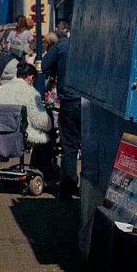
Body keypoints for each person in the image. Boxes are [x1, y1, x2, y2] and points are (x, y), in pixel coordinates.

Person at [42, 22, 80, 199]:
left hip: (70, 100)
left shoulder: (62, 45)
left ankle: (67, 186)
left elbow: (45, 66)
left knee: (69, 146)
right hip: (92, 103)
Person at [0, 61, 51, 147]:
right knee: (46, 136)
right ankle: (37, 161)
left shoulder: (2, 89)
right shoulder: (32, 93)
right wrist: (49, 122)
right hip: (21, 134)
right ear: (31, 78)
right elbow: (40, 122)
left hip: (1, 133)